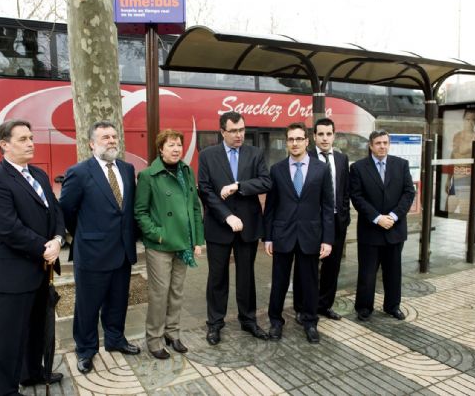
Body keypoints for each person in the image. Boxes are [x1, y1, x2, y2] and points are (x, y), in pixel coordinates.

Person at [0, 119, 65, 396]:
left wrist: (58, 239)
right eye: (23, 139)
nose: (31, 143)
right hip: (9, 274)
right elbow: (7, 228)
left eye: (31, 137)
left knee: (36, 329)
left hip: (40, 269)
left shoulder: (38, 174)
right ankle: (4, 391)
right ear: (5, 145)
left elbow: (56, 211)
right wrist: (44, 247)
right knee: (7, 338)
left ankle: (32, 373)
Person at [59, 121, 140, 375]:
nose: (112, 140)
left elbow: (126, 210)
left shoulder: (127, 169)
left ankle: (116, 339)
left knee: (118, 301)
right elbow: (67, 211)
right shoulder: (79, 172)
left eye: (114, 136)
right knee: (88, 306)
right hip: (92, 253)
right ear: (92, 143)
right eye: (105, 137)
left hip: (122, 251)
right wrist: (85, 236)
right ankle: (86, 350)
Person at [198, 111, 272, 345]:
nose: (239, 135)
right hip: (219, 226)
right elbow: (205, 190)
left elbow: (265, 181)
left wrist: (238, 185)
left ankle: (248, 319)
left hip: (248, 225)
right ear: (222, 132)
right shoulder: (208, 155)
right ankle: (215, 323)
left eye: (242, 130)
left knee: (246, 276)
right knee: (217, 277)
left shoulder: (255, 153)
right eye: (234, 131)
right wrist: (227, 216)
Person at [134, 129, 204, 359]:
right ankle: (154, 339)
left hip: (183, 244)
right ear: (161, 149)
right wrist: (158, 235)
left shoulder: (186, 171)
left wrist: (198, 240)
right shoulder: (148, 176)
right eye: (171, 145)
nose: (176, 149)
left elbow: (195, 207)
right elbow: (140, 213)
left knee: (177, 292)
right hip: (160, 246)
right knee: (159, 293)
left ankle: (172, 333)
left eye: (178, 145)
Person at [264, 122, 334, 343]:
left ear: (307, 141)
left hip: (310, 236)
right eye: (291, 139)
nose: (294, 143)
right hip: (282, 236)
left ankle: (310, 322)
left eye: (299, 139)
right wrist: (268, 236)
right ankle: (275, 322)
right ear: (287, 143)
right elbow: (271, 207)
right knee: (279, 283)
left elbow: (327, 207)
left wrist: (328, 239)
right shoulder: (276, 170)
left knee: (310, 282)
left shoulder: (321, 169)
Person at [350, 130, 415, 322]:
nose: (382, 146)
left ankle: (392, 306)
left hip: (395, 229)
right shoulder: (359, 168)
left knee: (393, 272)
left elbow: (408, 193)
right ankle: (364, 307)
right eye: (378, 143)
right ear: (371, 145)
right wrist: (378, 218)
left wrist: (393, 216)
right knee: (367, 273)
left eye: (385, 143)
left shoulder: (401, 165)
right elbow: (357, 197)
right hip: (371, 229)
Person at [293, 118, 351, 323]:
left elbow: (345, 190)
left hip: (336, 221)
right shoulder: (305, 157)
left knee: (332, 266)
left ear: (334, 135)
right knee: (305, 267)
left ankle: (324, 305)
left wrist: (344, 215)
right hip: (311, 223)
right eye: (321, 134)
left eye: (329, 134)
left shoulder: (342, 159)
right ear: (314, 137)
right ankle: (301, 307)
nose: (325, 138)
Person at [445, 108, 475, 214]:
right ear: (463, 118)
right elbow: (453, 157)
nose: (469, 122)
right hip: (456, 180)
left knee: (464, 215)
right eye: (467, 119)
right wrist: (448, 179)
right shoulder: (457, 136)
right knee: (447, 212)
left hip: (468, 181)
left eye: (472, 120)